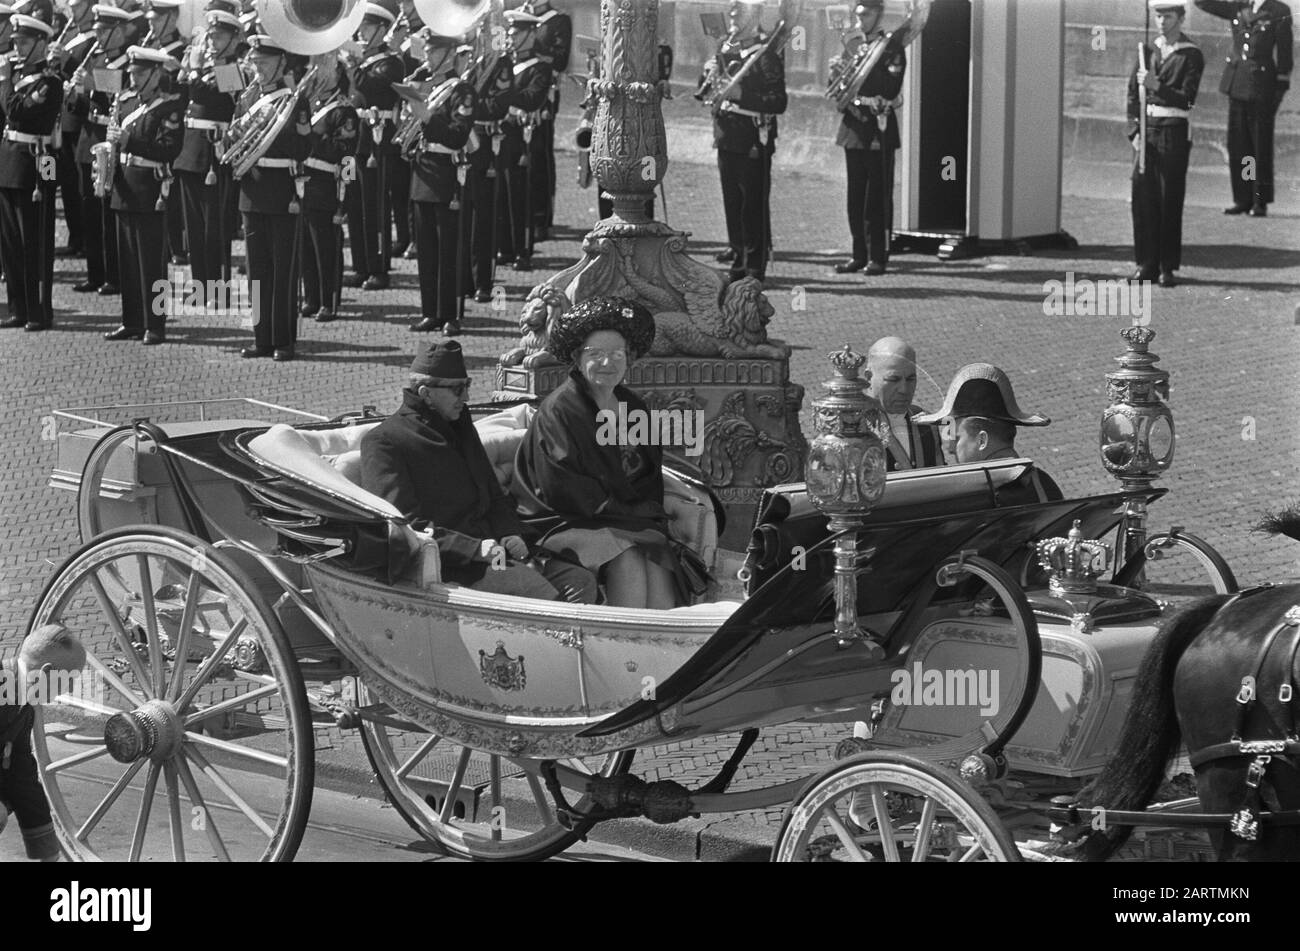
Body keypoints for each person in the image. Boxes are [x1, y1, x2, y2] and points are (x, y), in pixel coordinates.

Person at [361, 340, 598, 602]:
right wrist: (474, 549)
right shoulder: (385, 441)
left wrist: (510, 532)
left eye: (467, 386)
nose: (466, 397)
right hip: (457, 563)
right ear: (426, 393)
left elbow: (493, 495)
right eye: (457, 389)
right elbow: (403, 525)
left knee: (579, 581)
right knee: (535, 591)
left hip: (498, 554)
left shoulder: (460, 427)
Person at [512, 297, 689, 610]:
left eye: (617, 354)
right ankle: (623, 650)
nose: (608, 363)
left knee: (658, 552)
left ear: (629, 358)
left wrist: (646, 513)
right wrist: (628, 512)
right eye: (597, 354)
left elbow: (649, 473)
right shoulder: (560, 410)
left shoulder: (632, 407)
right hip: (563, 519)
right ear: (578, 358)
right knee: (627, 555)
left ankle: (661, 648)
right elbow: (564, 487)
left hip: (619, 516)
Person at [234, 33, 311, 362]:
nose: (257, 68)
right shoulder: (247, 98)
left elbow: (305, 148)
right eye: (255, 62)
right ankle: (261, 338)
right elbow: (233, 139)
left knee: (283, 271)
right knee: (257, 272)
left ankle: (283, 340)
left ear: (281, 63)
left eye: (264, 62)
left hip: (283, 190)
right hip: (252, 191)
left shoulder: (294, 101)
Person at [698, 0, 786, 283]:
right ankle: (738, 262)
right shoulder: (726, 47)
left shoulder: (766, 55)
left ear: (755, 15)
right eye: (733, 10)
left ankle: (754, 267)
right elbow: (714, 89)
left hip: (752, 138)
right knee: (732, 203)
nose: (733, 15)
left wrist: (741, 96)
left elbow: (778, 102)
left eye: (740, 11)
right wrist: (707, 73)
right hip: (727, 135)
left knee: (752, 206)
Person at [102, 43, 184, 345]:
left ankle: (155, 325)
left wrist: (129, 141)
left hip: (150, 189)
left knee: (151, 262)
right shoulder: (125, 103)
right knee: (128, 262)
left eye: (139, 74)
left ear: (155, 74)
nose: (132, 79)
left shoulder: (170, 108)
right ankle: (132, 320)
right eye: (131, 73)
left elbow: (168, 149)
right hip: (124, 186)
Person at [1127, 0, 1203, 288]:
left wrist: (1157, 86)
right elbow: (1132, 95)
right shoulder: (1146, 52)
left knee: (1169, 198)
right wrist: (1134, 131)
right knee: (1142, 197)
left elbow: (1188, 98)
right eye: (1157, 16)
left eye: (1167, 16)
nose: (1161, 22)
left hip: (1173, 130)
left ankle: (1166, 267)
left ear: (1180, 18)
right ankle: (1146, 263)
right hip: (1147, 131)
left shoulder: (1191, 55)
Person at [914, 363, 1064, 506]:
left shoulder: (972, 497)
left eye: (958, 438)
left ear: (982, 440)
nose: (951, 450)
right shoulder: (1044, 484)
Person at [1195, 0, 1292, 217]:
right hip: (1237, 84)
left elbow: (1285, 52)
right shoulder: (1237, 7)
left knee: (1259, 147)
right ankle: (1243, 198)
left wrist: (1280, 87)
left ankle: (1259, 201)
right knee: (1240, 146)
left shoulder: (1278, 11)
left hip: (1262, 86)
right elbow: (1201, 3)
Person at [0, 623, 86, 862]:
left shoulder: (22, 706)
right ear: (47, 673)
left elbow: (22, 776)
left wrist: (49, 854)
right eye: (70, 680)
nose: (68, 689)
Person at [174, 2, 242, 300]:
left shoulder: (233, 70)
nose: (211, 42)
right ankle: (200, 285)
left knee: (215, 226)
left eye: (217, 37)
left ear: (233, 39)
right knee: (194, 226)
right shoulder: (202, 66)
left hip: (215, 155)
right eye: (210, 36)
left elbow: (205, 93)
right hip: (190, 151)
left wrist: (191, 70)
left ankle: (219, 288)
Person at [831, 0, 905, 277]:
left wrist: (860, 68)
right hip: (854, 127)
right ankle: (858, 254)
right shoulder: (853, 47)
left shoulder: (890, 49)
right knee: (855, 198)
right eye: (859, 14)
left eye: (867, 14)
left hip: (879, 127)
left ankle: (878, 256)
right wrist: (838, 73)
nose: (861, 19)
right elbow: (840, 91)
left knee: (877, 198)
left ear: (879, 15)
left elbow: (890, 87)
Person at [408, 34, 474, 335]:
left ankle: (450, 314)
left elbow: (458, 135)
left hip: (447, 172)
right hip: (422, 172)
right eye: (428, 50)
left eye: (433, 51)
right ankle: (430, 311)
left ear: (448, 54)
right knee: (426, 249)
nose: (428, 56)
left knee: (448, 249)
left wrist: (427, 116)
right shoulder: (425, 84)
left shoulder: (461, 91)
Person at [0, 11, 61, 332]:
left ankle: (39, 309)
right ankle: (18, 308)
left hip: (38, 163)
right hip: (10, 159)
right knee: (10, 241)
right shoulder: (18, 76)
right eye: (16, 41)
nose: (18, 47)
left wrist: (6, 82)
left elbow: (17, 112)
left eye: (23, 41)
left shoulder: (49, 82)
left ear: (41, 43)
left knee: (35, 238)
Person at [343, 0, 405, 291]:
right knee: (352, 203)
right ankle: (360, 265)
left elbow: (369, 86)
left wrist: (354, 62)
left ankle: (379, 268)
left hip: (376, 145)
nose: (361, 33)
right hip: (351, 144)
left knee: (376, 206)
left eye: (367, 27)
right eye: (361, 26)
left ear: (382, 29)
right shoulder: (358, 63)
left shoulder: (391, 63)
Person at [300, 57, 357, 324]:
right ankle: (311, 297)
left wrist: (345, 196)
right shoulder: (311, 104)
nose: (315, 71)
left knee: (326, 247)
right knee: (306, 246)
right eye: (314, 65)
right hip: (305, 180)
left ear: (335, 72)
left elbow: (346, 155)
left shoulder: (344, 111)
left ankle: (328, 301)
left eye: (321, 66)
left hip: (327, 182)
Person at [498, 8, 552, 272]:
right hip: (504, 136)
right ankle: (505, 247)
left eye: (516, 32)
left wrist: (505, 96)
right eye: (510, 31)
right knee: (502, 193)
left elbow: (532, 98)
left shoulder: (541, 68)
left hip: (524, 139)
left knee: (521, 195)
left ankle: (523, 249)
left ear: (530, 35)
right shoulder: (506, 63)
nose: (511, 36)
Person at [522, 0, 569, 240]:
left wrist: (532, 46)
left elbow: (560, 60)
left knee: (540, 154)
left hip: (544, 96)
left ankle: (542, 217)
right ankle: (522, 215)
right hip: (519, 92)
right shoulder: (518, 16)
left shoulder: (558, 20)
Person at [865, 336, 944, 471]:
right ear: (869, 378)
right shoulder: (852, 426)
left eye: (910, 379)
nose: (904, 390)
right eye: (893, 379)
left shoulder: (927, 425)